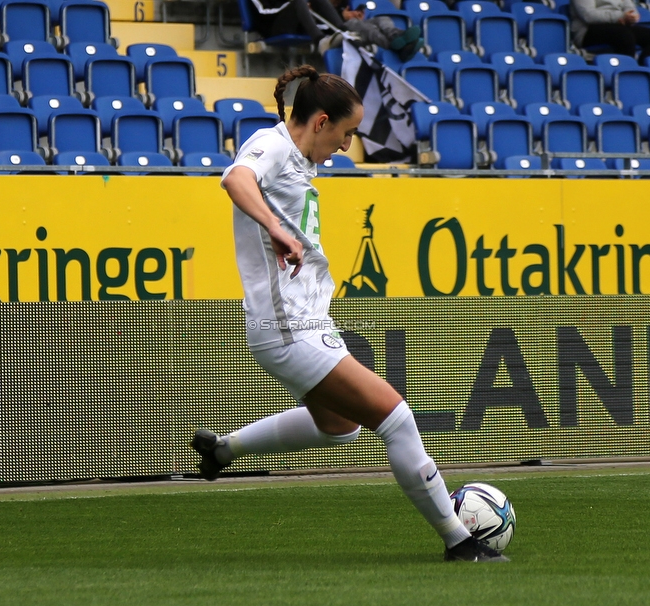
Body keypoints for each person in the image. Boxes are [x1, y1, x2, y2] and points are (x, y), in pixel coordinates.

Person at [191, 65, 508, 563]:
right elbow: (235, 179)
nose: (346, 144)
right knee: (397, 419)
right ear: (320, 122)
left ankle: (222, 451)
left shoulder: (297, 158)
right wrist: (275, 226)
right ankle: (460, 541)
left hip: (305, 323)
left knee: (340, 426)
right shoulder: (272, 146)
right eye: (346, 132)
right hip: (288, 328)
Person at [569, 0, 650, 65]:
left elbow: (629, 6)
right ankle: (625, 71)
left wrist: (632, 16)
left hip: (618, 25)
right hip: (588, 30)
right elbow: (588, 15)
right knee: (623, 35)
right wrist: (620, 16)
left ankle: (642, 71)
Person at [250, 0, 352, 54]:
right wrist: (294, 4)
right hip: (271, 28)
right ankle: (320, 41)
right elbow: (264, 13)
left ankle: (346, 33)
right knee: (299, 1)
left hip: (293, 23)